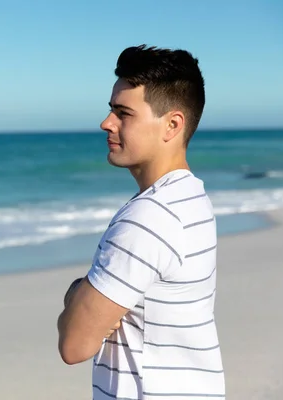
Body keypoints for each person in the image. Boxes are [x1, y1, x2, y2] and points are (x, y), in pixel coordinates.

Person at [57, 44, 225, 399]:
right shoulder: (190, 199)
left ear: (172, 125)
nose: (107, 123)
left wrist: (77, 293)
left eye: (123, 113)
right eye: (110, 110)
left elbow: (74, 344)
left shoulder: (149, 218)